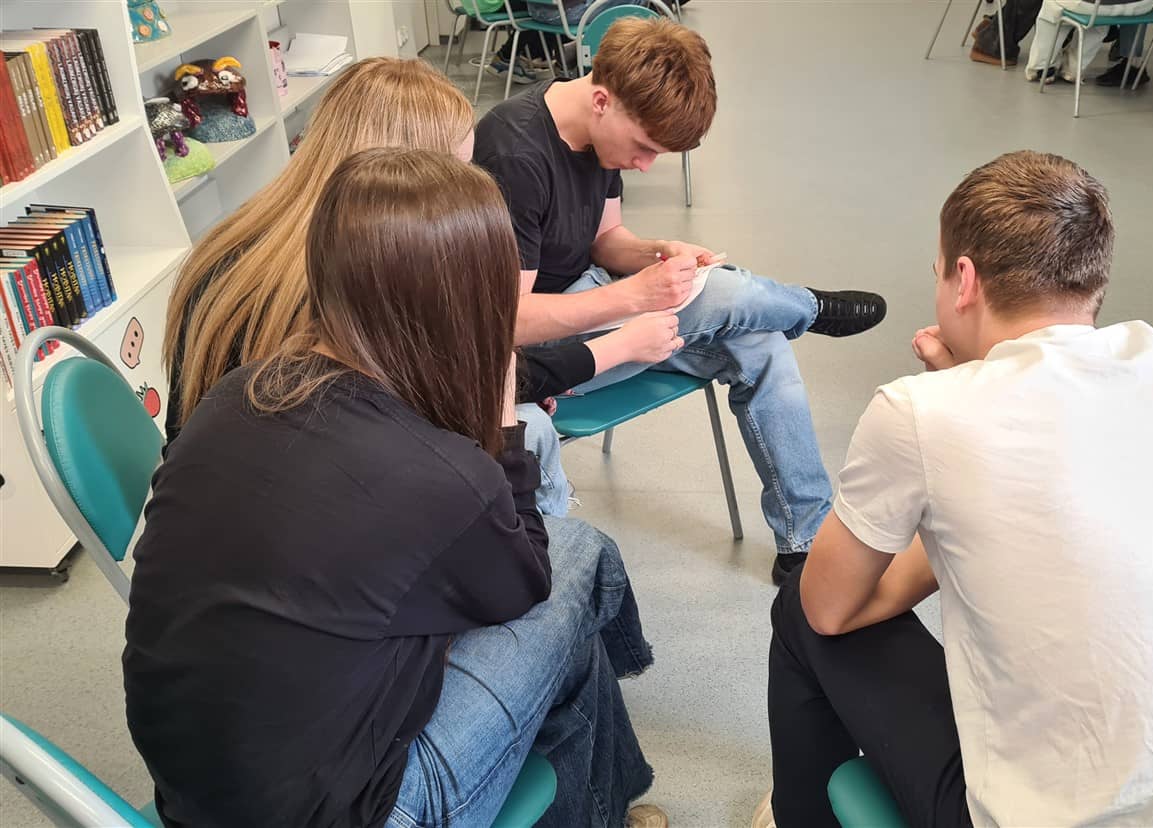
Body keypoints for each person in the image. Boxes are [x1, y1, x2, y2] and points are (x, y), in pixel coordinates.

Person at [756, 151, 1153, 828]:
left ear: (964, 280)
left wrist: (946, 424)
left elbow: (830, 609)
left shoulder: (920, 411)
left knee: (798, 611)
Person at [125, 149, 661, 827]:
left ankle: (608, 790)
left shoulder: (237, 392)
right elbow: (526, 582)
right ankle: (611, 784)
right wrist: (502, 419)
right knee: (578, 559)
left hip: (195, 793)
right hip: (355, 811)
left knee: (558, 624)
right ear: (473, 302)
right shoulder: (444, 476)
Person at [162, 57, 681, 514]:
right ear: (401, 174)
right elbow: (467, 376)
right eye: (459, 170)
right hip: (331, 516)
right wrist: (612, 347)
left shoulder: (228, 245)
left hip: (216, 509)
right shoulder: (380, 271)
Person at [474, 18, 888, 584]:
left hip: (590, 304)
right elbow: (507, 322)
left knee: (760, 340)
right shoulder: (515, 154)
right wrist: (632, 296)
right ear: (602, 100)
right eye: (644, 148)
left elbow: (605, 240)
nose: (645, 165)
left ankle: (804, 544)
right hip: (534, 359)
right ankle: (806, 306)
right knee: (722, 297)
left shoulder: (598, 134)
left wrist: (656, 252)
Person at [1024, 0, 1153, 83]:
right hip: (1142, 5)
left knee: (1051, 7)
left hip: (1094, 5)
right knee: (1100, 19)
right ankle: (1074, 69)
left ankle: (1042, 67)